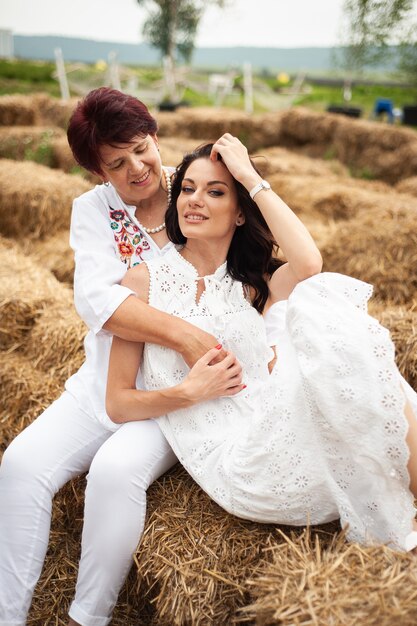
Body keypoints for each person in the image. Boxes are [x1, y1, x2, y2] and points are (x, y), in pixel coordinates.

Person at [106, 135, 417, 556]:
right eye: (187, 188)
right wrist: (188, 392)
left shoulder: (257, 283)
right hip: (240, 463)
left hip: (276, 423)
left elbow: (309, 264)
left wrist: (249, 175)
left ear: (238, 214)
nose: (195, 200)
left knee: (319, 296)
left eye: (216, 191)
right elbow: (118, 402)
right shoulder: (142, 281)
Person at [0, 88, 242, 626]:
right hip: (107, 381)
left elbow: (257, 260)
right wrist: (182, 332)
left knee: (114, 470)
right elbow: (96, 302)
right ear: (97, 172)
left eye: (141, 148)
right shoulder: (92, 211)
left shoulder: (197, 188)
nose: (137, 167)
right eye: (116, 162)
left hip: (181, 393)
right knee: (20, 465)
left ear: (154, 136)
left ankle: (88, 616)